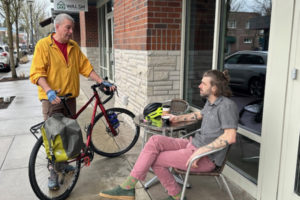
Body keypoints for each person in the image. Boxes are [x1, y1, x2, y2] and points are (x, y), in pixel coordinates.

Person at [99, 70, 239, 200]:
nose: (199, 85)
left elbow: (230, 136)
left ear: (214, 88)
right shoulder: (211, 103)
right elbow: (199, 114)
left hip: (206, 158)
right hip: (193, 144)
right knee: (155, 140)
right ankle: (129, 187)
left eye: (203, 83)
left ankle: (173, 194)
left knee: (155, 160)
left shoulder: (227, 106)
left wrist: (201, 151)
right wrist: (177, 118)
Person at [30, 13, 114, 190]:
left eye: (72, 29)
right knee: (53, 138)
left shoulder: (74, 47)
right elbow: (37, 73)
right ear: (57, 27)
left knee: (67, 134)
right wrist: (48, 90)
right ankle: (53, 170)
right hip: (52, 99)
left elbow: (86, 68)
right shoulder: (44, 45)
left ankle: (63, 164)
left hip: (70, 99)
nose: (71, 32)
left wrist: (100, 81)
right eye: (68, 28)